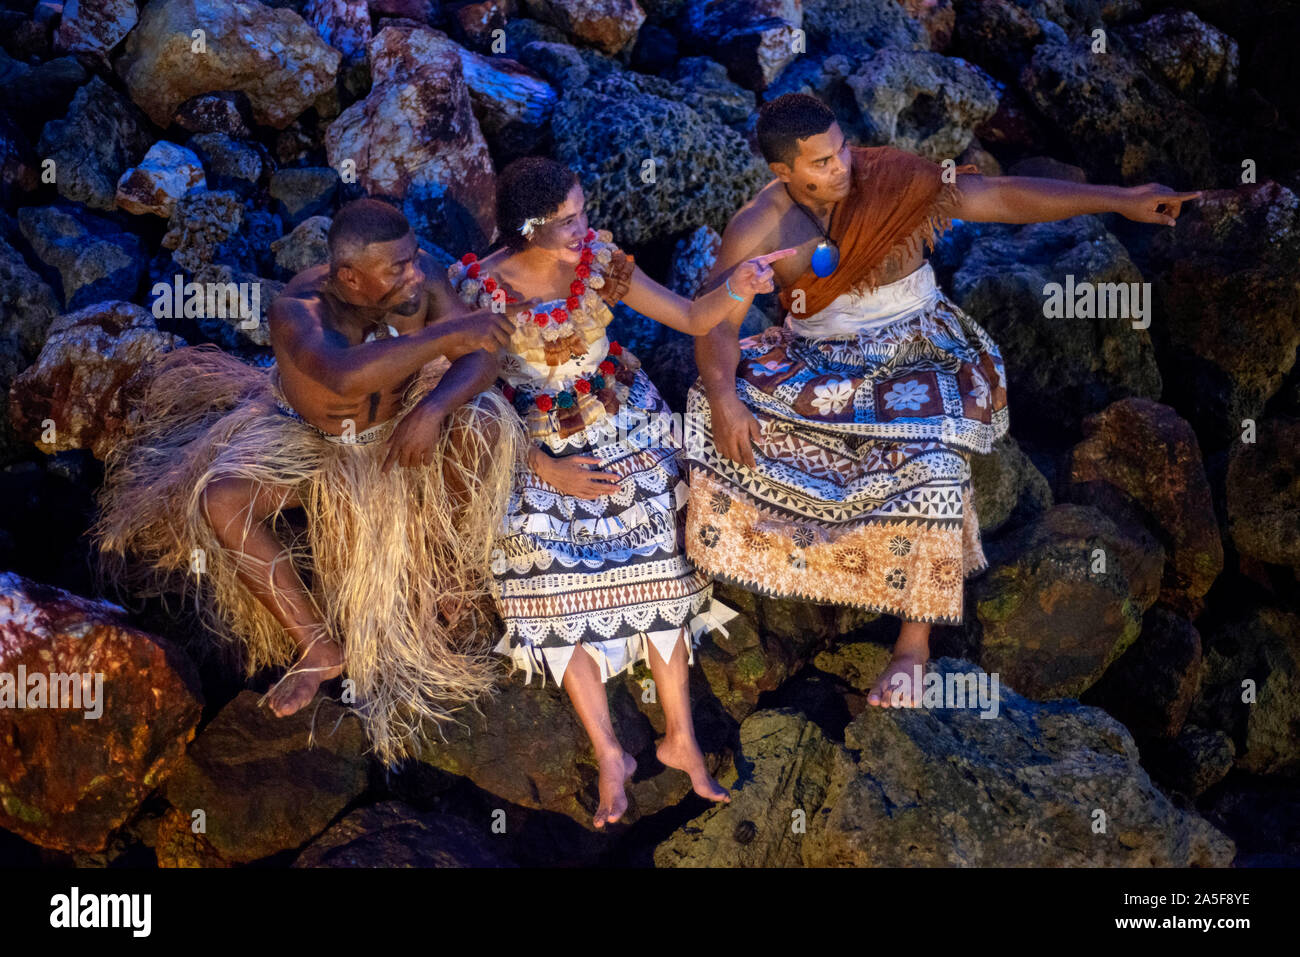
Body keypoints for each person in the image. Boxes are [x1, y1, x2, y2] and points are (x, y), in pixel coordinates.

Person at [687, 93, 1202, 708]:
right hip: (819, 358)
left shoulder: (895, 177)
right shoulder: (759, 224)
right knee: (702, 415)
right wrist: (724, 396)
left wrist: (1121, 200)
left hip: (920, 349)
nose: (842, 167)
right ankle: (735, 586)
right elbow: (715, 322)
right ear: (783, 173)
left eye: (842, 148)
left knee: (934, 467)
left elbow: (1001, 195)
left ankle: (912, 648)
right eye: (821, 163)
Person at [94, 198, 528, 766]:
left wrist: (433, 407)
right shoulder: (298, 310)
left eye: (413, 258)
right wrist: (451, 336)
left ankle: (447, 570)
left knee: (484, 418)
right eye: (396, 268)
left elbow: (483, 358)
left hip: (394, 430)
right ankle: (317, 647)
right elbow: (343, 375)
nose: (415, 273)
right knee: (221, 498)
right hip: (310, 440)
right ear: (349, 275)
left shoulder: (418, 284)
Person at [447, 156, 791, 828]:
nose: (585, 225)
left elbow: (694, 317)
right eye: (569, 220)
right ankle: (610, 752)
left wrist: (742, 286)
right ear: (526, 228)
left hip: (620, 416)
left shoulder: (598, 262)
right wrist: (546, 470)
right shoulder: (477, 292)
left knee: (664, 556)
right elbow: (469, 399)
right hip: (531, 441)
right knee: (543, 576)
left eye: (583, 211)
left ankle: (681, 734)